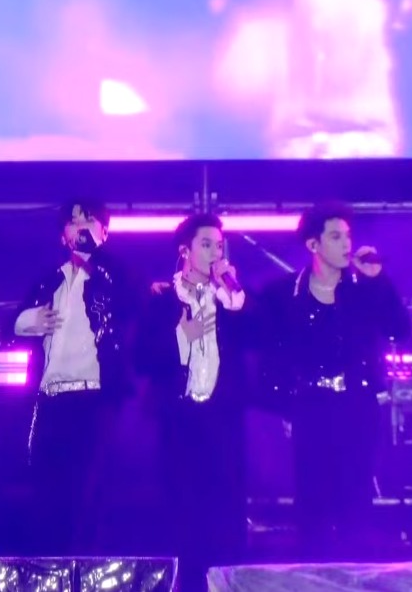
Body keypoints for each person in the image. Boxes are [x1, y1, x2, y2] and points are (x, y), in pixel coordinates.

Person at [257, 202, 410, 555]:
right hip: (310, 407)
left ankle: (353, 571)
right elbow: (266, 351)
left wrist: (378, 280)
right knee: (312, 504)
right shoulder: (284, 295)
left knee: (355, 500)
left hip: (356, 406)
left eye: (348, 236)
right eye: (336, 237)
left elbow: (400, 329)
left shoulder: (363, 291)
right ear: (314, 244)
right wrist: (283, 404)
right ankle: (315, 571)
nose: (347, 244)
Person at [133, 213, 251, 590]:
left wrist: (233, 298)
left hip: (223, 422)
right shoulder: (161, 300)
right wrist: (180, 338)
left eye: (219, 245)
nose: (215, 252)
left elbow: (257, 340)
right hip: (179, 423)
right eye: (206, 244)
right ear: (185, 250)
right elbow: (140, 359)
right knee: (181, 515)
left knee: (226, 516)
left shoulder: (230, 300)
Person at [11, 200, 134, 556]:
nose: (80, 226)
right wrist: (29, 321)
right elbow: (11, 325)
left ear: (104, 232)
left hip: (93, 399)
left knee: (89, 499)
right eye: (73, 221)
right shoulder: (49, 281)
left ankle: (88, 571)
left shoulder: (115, 278)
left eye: (89, 220)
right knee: (49, 498)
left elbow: (134, 300)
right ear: (62, 235)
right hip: (50, 400)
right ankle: (54, 571)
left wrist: (96, 256)